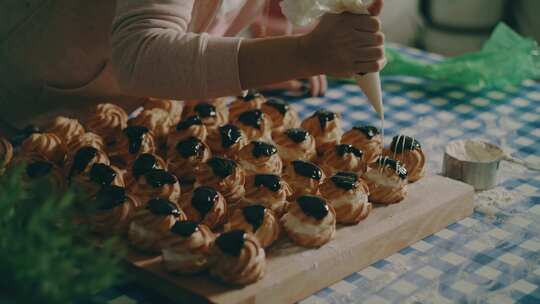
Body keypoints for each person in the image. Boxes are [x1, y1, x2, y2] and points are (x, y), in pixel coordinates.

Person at [0, 0, 385, 129]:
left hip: (122, 120)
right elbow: (141, 54)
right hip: (26, 117)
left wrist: (270, 53)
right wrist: (302, 54)